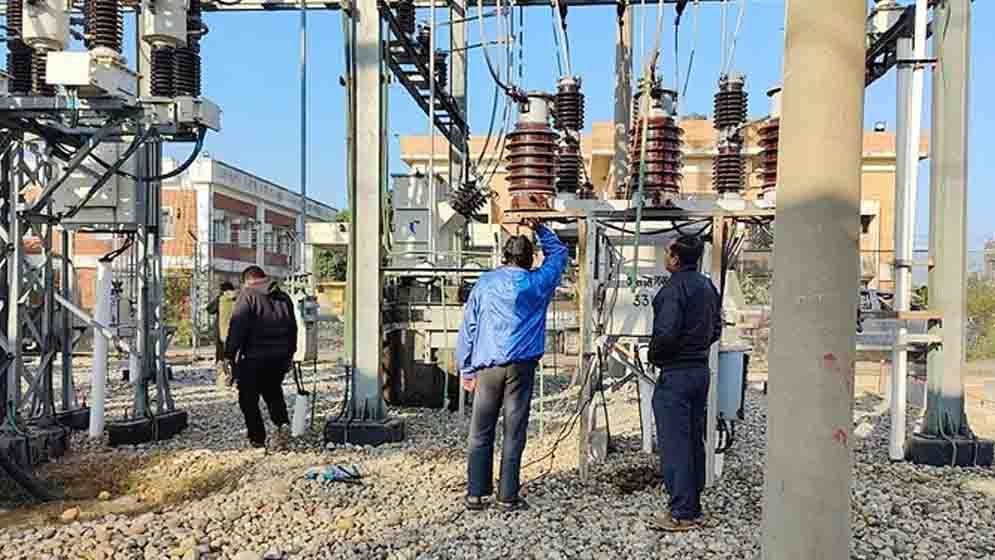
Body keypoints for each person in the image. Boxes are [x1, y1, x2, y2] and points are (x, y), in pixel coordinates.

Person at [456, 219, 568, 512]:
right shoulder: (537, 283)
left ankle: (476, 494)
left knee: (481, 430)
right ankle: (507, 497)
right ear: (531, 259)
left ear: (504, 256)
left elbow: (468, 327)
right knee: (514, 429)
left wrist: (466, 369)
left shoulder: (484, 283)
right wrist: (542, 227)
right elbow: (559, 255)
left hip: (487, 366)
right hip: (522, 367)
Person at [648, 234, 723, 531]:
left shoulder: (672, 290)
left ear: (676, 259)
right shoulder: (707, 287)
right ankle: (693, 503)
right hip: (699, 371)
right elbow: (716, 327)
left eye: (668, 252)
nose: (665, 256)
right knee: (693, 439)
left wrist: (656, 355)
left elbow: (665, 334)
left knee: (675, 443)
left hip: (676, 375)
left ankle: (681, 512)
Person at [225, 266, 298, 451]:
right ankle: (282, 426)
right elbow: (293, 329)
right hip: (279, 359)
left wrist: (228, 354)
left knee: (248, 400)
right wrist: (289, 355)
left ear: (247, 280)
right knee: (273, 392)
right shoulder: (284, 297)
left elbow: (237, 326)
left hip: (253, 359)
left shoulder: (247, 295)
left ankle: (257, 438)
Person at [206, 281, 237, 387]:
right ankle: (235, 377)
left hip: (221, 332)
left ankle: (223, 378)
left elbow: (210, 309)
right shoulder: (239, 298)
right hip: (235, 331)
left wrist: (218, 296)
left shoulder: (220, 299)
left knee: (221, 356)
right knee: (234, 355)